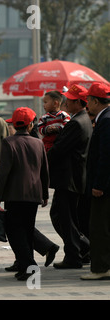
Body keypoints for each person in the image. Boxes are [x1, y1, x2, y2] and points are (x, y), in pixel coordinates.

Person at [0, 107, 49, 281]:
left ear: (14, 124)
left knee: (15, 232)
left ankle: (29, 266)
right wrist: (45, 193)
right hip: (34, 194)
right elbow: (44, 171)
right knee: (28, 231)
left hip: (14, 194)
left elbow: (4, 172)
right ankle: (25, 267)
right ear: (31, 124)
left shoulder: (9, 142)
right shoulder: (38, 143)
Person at [47, 85, 93, 269]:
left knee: (64, 217)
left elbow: (59, 149)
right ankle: (81, 250)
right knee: (66, 217)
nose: (66, 102)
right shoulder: (81, 120)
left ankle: (77, 252)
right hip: (73, 177)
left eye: (69, 99)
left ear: (77, 103)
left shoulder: (77, 122)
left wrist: (42, 159)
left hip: (69, 178)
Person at [80, 82, 110, 280]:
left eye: (88, 100)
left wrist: (98, 184)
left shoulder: (106, 120)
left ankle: (101, 268)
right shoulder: (104, 118)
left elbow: (105, 156)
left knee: (100, 227)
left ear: (95, 101)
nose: (86, 104)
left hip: (104, 186)